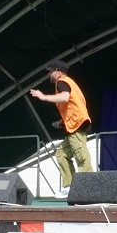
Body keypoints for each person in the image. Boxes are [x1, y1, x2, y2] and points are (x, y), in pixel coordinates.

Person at [28, 62, 93, 193]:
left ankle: (88, 189)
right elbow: (73, 105)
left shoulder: (62, 82)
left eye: (51, 71)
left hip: (77, 125)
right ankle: (69, 187)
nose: (49, 74)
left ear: (58, 72)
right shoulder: (69, 83)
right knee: (61, 154)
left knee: (81, 157)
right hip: (74, 125)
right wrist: (62, 121)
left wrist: (43, 96)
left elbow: (65, 97)